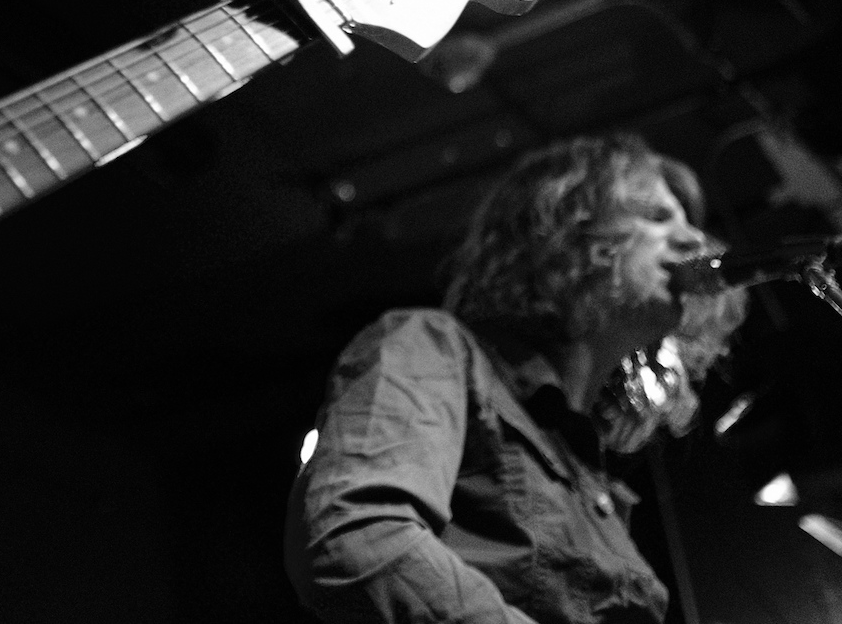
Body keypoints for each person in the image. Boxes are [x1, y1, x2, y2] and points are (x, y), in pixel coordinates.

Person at [286, 134, 747, 624]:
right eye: (656, 216)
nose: (694, 239)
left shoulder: (590, 474)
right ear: (572, 236)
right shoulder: (434, 346)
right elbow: (357, 539)